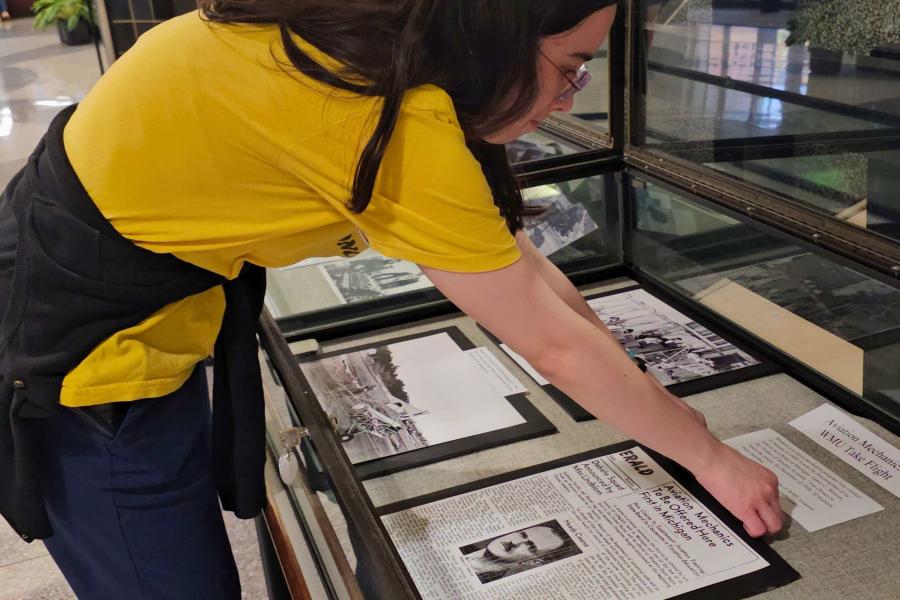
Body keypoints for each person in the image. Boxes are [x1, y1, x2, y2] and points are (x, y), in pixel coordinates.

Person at [0, 1, 782, 598]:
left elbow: (521, 269)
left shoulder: (374, 44)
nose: (573, 98)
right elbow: (552, 344)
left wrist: (626, 370)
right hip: (76, 356)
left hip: (129, 297)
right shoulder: (382, 115)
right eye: (571, 66)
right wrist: (709, 454)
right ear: (500, 33)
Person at [462, 523, 581, 584]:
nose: (512, 543)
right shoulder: (463, 542)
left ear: (532, 561)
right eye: (522, 535)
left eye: (530, 546)